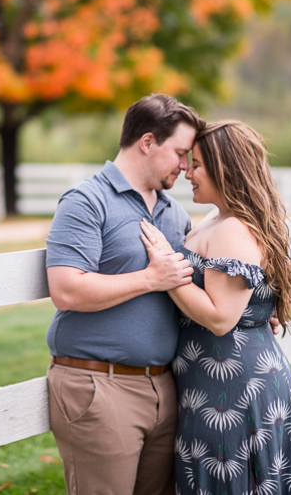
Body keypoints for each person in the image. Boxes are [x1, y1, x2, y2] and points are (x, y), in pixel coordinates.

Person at [139, 120, 291, 493]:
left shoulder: (232, 229)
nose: (187, 171)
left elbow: (220, 318)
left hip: (233, 391)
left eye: (198, 164)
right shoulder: (217, 219)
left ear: (227, 169)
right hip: (212, 385)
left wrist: (165, 269)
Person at [44, 94, 203, 494]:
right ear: (147, 142)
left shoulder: (175, 214)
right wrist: (151, 278)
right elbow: (66, 289)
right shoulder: (86, 201)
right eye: (181, 153)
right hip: (99, 386)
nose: (185, 167)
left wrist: (256, 309)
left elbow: (196, 287)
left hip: (165, 388)